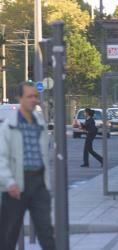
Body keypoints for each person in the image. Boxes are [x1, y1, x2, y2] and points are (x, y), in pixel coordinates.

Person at [0, 81, 56, 250]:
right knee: (8, 235)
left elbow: (45, 154)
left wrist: (45, 184)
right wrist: (9, 182)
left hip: (38, 183)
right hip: (16, 185)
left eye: (35, 96)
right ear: (20, 98)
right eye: (29, 96)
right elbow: (1, 157)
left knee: (46, 232)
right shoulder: (8, 126)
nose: (34, 100)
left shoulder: (39, 123)